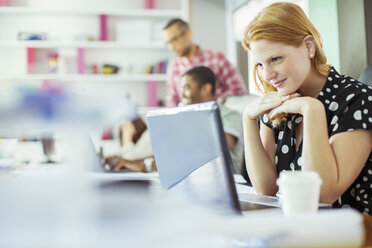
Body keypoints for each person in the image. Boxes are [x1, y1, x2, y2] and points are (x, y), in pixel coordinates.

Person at [241, 2, 372, 214]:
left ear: (308, 47)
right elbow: (266, 188)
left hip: (356, 234)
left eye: (276, 59)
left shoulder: (357, 100)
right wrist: (248, 119)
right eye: (260, 64)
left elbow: (323, 195)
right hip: (304, 229)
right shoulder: (280, 101)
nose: (266, 75)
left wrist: (313, 111)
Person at [105, 66, 245, 177]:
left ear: (206, 89)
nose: (182, 94)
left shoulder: (230, 116)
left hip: (227, 184)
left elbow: (207, 152)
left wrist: (143, 165)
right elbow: (173, 155)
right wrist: (132, 163)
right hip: (190, 180)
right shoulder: (189, 118)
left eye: (187, 88)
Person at [163, 18, 248, 107]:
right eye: (168, 43)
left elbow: (239, 91)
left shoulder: (217, 59)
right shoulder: (173, 67)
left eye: (174, 40)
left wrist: (210, 102)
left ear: (188, 34)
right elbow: (172, 100)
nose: (171, 47)